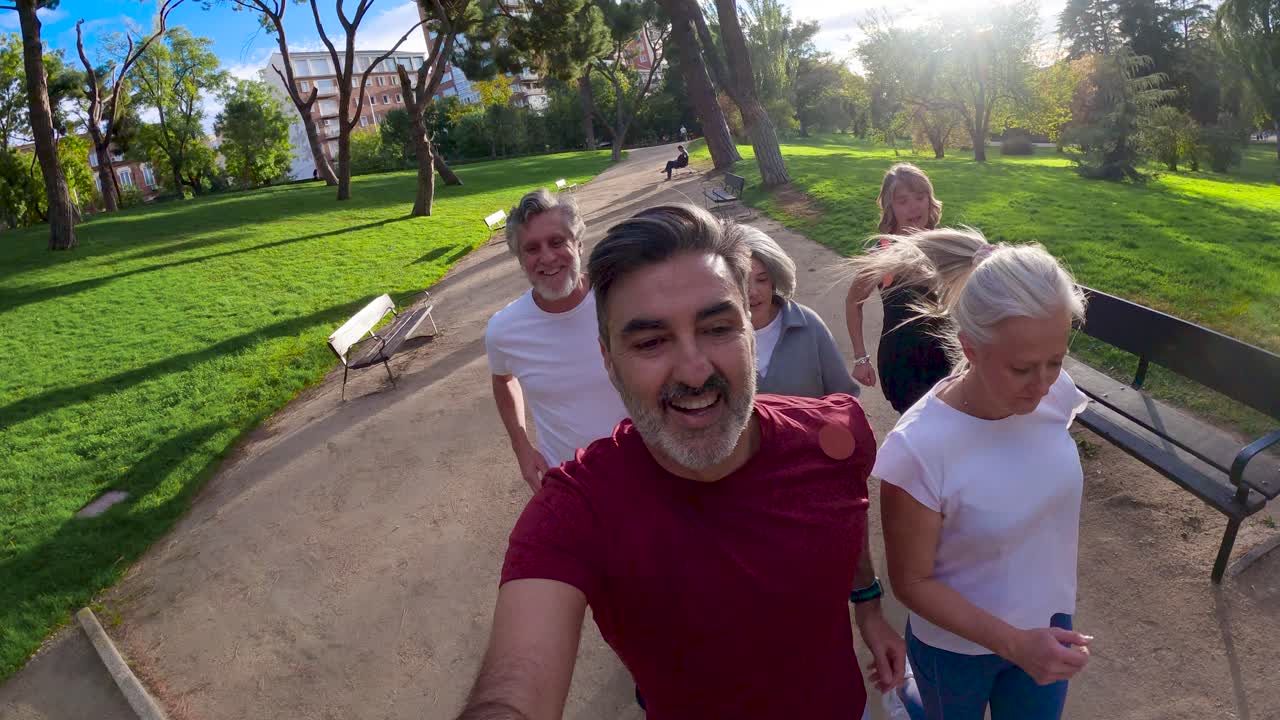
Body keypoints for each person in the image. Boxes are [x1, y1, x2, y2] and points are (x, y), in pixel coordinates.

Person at [456, 205, 905, 720]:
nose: (694, 372)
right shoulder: (574, 513)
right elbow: (515, 690)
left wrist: (869, 604)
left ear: (751, 329)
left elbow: (845, 510)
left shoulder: (835, 437)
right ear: (608, 360)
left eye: (718, 328)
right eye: (650, 342)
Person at [851, 228, 1094, 720]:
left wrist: (1031, 640)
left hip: (1047, 625)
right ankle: (907, 698)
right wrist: (1014, 644)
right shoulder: (919, 448)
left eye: (1055, 361)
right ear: (971, 348)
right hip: (956, 650)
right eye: (1022, 368)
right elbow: (912, 582)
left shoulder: (1052, 392)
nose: (1043, 384)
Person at [485, 189, 628, 493]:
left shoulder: (622, 298)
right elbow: (502, 379)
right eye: (531, 248)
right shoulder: (504, 329)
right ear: (521, 260)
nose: (547, 257)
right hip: (572, 480)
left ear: (578, 244)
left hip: (650, 465)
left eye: (557, 241)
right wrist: (521, 446)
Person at [845, 163, 951, 413]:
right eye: (903, 201)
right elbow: (853, 302)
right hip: (905, 365)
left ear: (930, 200)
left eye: (920, 197)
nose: (914, 207)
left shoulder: (945, 244)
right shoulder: (883, 253)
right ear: (890, 207)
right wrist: (861, 358)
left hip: (947, 356)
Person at [730, 223, 859, 398]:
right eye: (742, 281)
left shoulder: (809, 325)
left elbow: (845, 397)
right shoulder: (710, 338)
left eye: (762, 279)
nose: (753, 291)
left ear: (774, 280)